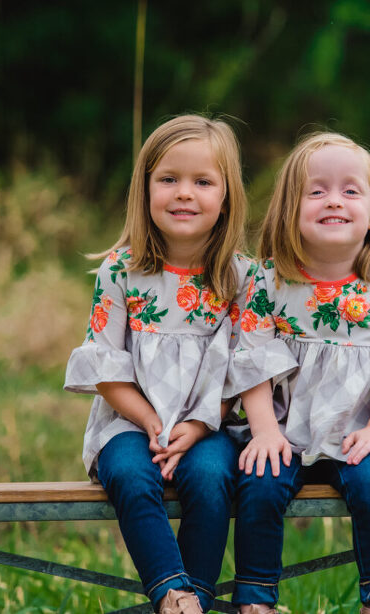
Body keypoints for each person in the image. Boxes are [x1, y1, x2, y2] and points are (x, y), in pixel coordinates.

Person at [225, 132, 370, 613]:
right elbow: (252, 361)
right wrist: (265, 432)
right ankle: (255, 600)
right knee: (260, 481)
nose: (334, 200)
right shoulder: (268, 279)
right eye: (317, 191)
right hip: (286, 430)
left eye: (351, 190)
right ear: (289, 211)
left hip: (363, 429)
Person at [65, 114, 251, 614]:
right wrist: (151, 421)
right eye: (168, 179)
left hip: (210, 425)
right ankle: (174, 594)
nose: (184, 193)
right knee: (129, 474)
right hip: (130, 423)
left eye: (202, 182)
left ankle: (196, 597)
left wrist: (198, 424)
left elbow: (245, 370)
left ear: (227, 196)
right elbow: (104, 367)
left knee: (211, 478)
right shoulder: (122, 271)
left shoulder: (242, 277)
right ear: (145, 189)